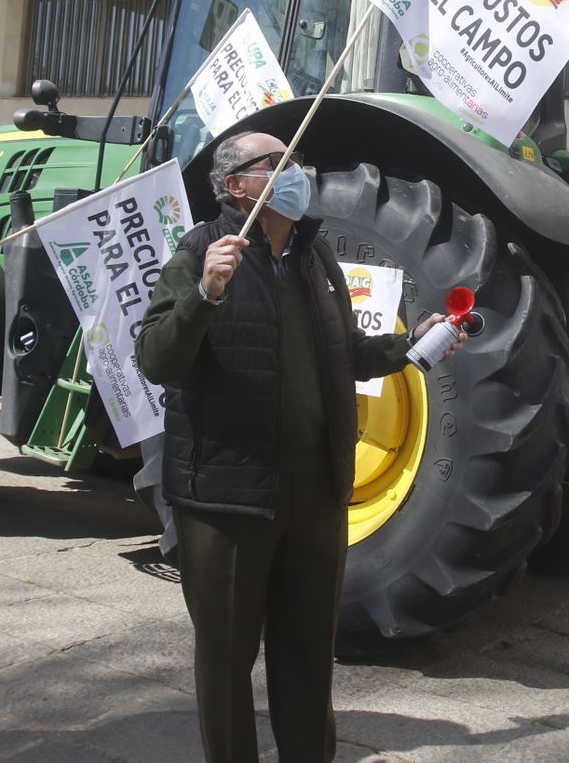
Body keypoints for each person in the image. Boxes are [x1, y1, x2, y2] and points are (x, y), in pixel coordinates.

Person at [136, 131, 463, 763]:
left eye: (298, 163)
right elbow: (157, 359)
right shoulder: (202, 251)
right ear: (237, 186)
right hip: (229, 501)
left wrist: (413, 343)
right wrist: (205, 295)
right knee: (227, 662)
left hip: (316, 495)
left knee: (309, 655)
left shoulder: (316, 259)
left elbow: (344, 356)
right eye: (280, 165)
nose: (298, 173)